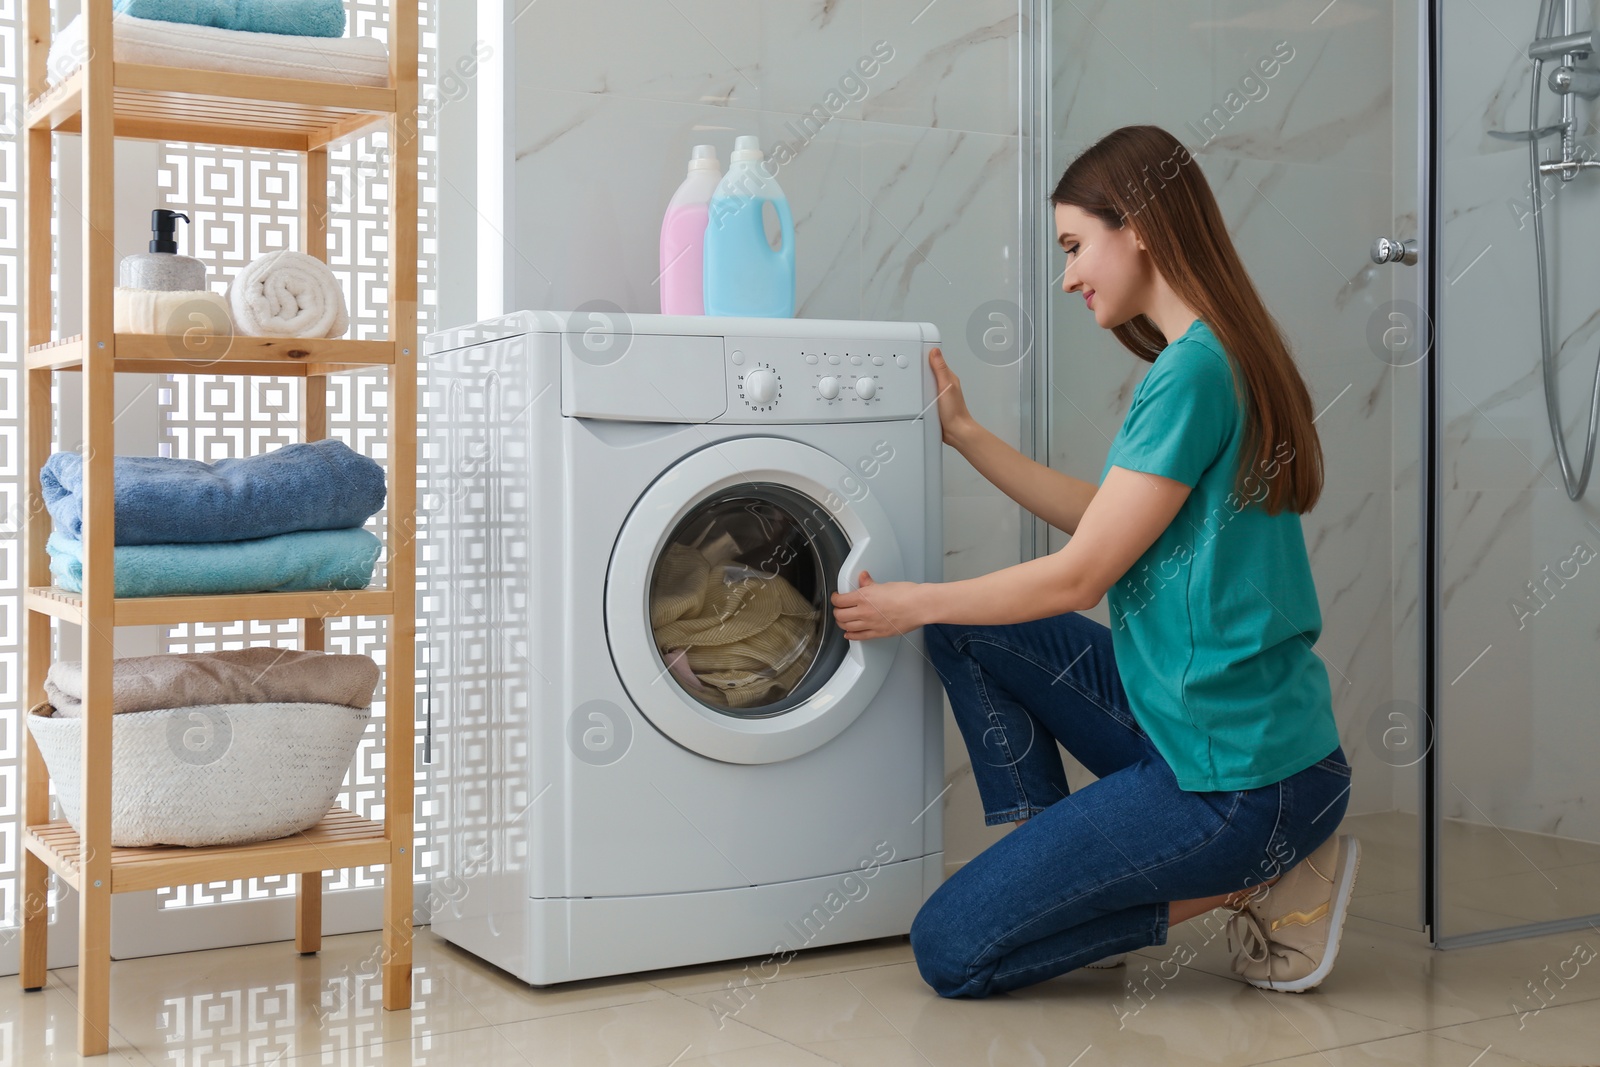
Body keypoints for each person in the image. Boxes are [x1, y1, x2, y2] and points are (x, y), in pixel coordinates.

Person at [828, 124, 1360, 998]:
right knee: (968, 630)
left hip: (1244, 784)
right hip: (1204, 729)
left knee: (950, 949)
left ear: (1139, 225)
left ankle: (1258, 876)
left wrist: (913, 600)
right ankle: (1061, 876)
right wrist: (966, 435)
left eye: (1076, 245)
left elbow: (1082, 574)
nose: (1069, 274)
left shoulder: (1191, 373)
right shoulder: (1218, 352)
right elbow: (1106, 520)